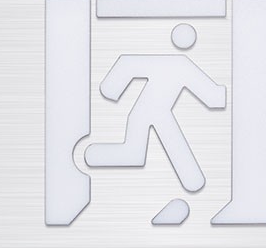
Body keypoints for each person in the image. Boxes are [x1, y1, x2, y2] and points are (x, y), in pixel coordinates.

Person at [85, 24, 225, 192]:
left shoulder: (179, 64)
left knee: (141, 138)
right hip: (154, 115)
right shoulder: (181, 63)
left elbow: (124, 67)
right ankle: (191, 178)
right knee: (145, 139)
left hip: (154, 115)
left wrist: (111, 88)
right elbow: (213, 97)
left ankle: (190, 178)